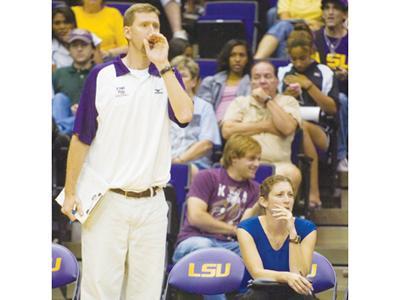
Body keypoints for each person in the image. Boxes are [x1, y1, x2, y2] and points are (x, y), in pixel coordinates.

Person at [61, 3, 193, 299]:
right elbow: (81, 139)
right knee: (101, 290)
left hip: (153, 201)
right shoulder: (101, 75)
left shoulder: (168, 76)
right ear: (127, 32)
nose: (152, 32)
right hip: (108, 199)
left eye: (156, 26)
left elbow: (185, 116)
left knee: (145, 292)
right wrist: (70, 192)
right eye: (145, 25)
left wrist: (165, 65)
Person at [172, 134, 263, 300]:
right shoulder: (207, 177)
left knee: (259, 253)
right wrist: (234, 230)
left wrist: (257, 206)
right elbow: (196, 217)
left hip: (230, 245)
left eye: (258, 159)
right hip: (194, 241)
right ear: (234, 158)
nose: (257, 164)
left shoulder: (255, 189)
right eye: (251, 159)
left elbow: (245, 227)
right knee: (208, 251)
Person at [277, 24, 339, 208]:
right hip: (291, 125)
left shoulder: (325, 72)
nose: (298, 64)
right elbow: (277, 106)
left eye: (302, 58)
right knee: (300, 129)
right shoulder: (283, 72)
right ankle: (309, 196)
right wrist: (288, 96)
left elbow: (332, 108)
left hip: (322, 129)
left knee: (302, 128)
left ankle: (313, 193)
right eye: (294, 59)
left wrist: (309, 86)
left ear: (312, 52)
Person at [221, 60, 302, 193]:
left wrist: (267, 100)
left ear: (276, 81)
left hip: (278, 164)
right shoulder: (240, 102)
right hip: (241, 163)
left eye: (268, 76)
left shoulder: (288, 102)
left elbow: (287, 128)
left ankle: (277, 214)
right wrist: (266, 126)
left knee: (292, 173)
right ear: (251, 83)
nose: (262, 81)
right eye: (257, 77)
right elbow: (227, 131)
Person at [237, 175, 316, 299]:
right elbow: (257, 273)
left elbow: (299, 274)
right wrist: (286, 277)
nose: (287, 200)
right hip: (258, 291)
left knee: (302, 297)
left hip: (293, 292)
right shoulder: (247, 228)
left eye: (290, 195)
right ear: (264, 201)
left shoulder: (307, 229)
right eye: (280, 195)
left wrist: (292, 232)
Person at [170, 55, 221, 177]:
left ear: (194, 81)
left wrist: (179, 161)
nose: (178, 79)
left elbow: (206, 144)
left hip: (195, 163)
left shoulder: (204, 107)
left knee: (188, 171)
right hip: (164, 162)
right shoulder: (161, 105)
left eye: (183, 75)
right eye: (174, 75)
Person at [314, 0, 348, 171]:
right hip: (319, 94)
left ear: (345, 15)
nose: (330, 12)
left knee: (342, 99)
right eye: (326, 8)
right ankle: (339, 156)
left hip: (346, 92)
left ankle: (341, 156)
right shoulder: (315, 38)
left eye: (335, 8)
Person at [197, 39, 253, 123]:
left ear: (247, 59)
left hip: (238, 127)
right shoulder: (211, 82)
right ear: (227, 58)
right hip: (212, 127)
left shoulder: (252, 84)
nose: (237, 59)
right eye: (233, 55)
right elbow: (203, 110)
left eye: (242, 55)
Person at [52, 29, 96, 135]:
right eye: (75, 45)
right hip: (67, 118)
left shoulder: (101, 72)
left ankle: (58, 130)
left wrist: (82, 110)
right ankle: (60, 131)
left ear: (93, 49)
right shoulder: (59, 73)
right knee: (59, 98)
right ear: (69, 50)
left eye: (84, 45)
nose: (79, 49)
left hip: (92, 120)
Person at [254, 0, 323, 59]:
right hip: (293, 26)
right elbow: (284, 17)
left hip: (315, 28)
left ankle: (257, 60)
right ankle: (258, 59)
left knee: (283, 30)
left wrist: (320, 25)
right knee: (283, 26)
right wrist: (304, 23)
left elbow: (328, 16)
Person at [52, 5, 102, 71]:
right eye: (57, 23)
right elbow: (54, 77)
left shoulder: (87, 35)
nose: (62, 27)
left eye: (66, 22)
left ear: (73, 23)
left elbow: (99, 69)